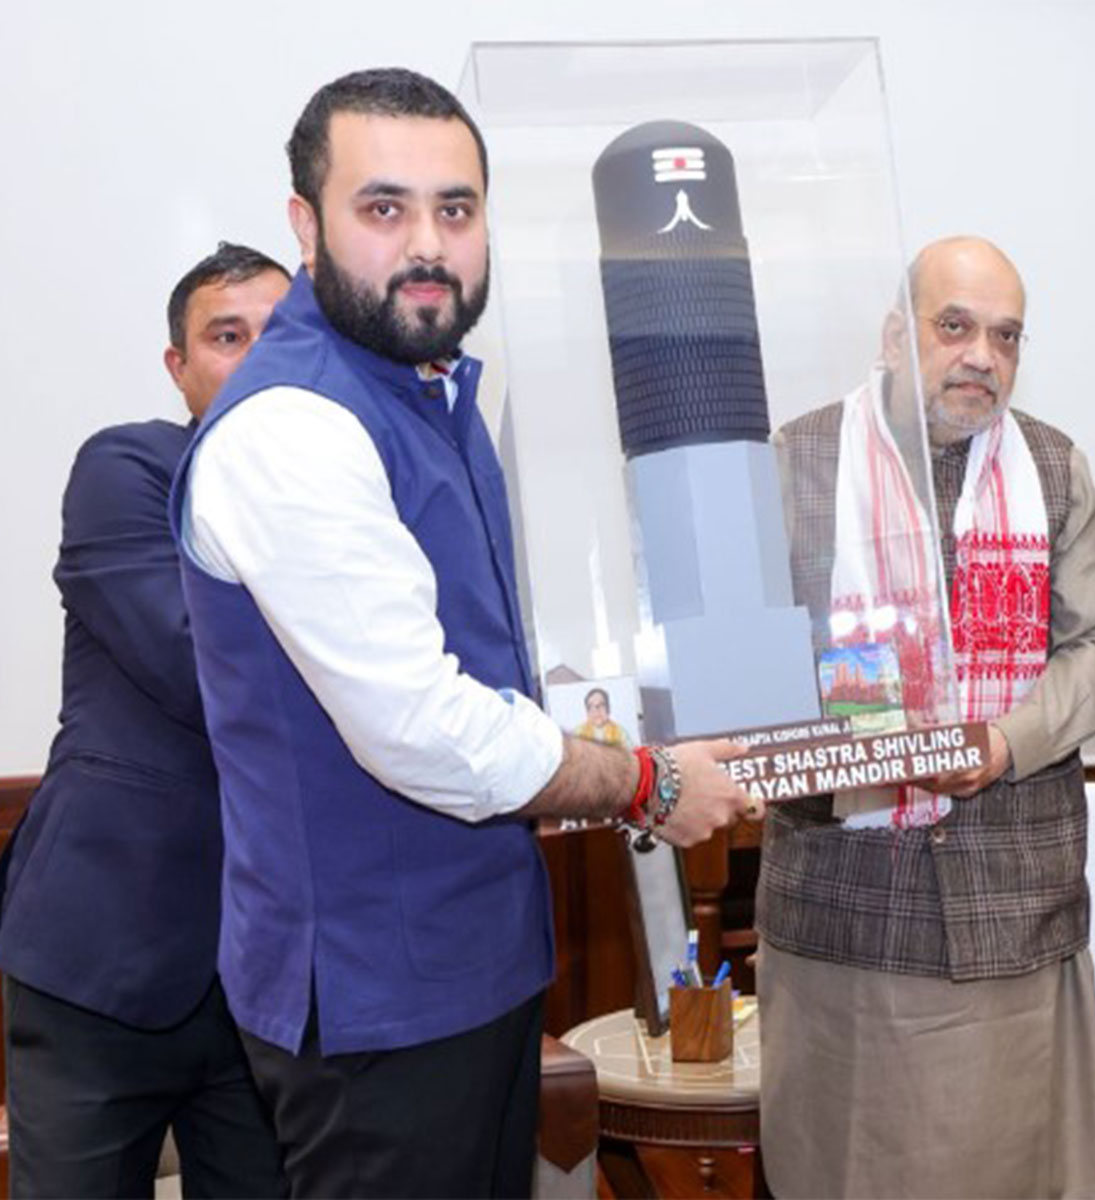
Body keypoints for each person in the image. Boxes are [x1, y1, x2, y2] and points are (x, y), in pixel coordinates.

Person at [168, 69, 754, 1198]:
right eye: (383, 209)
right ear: (306, 224)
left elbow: (498, 671)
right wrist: (647, 783)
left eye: (457, 209)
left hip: (476, 966)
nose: (427, 244)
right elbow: (422, 729)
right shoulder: (295, 428)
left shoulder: (425, 391)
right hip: (374, 1004)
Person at [756, 236, 1095, 1199]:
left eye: (1006, 337)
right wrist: (856, 729)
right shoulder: (796, 459)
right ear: (897, 335)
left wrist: (1006, 741)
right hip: (842, 902)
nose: (982, 356)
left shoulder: (1051, 469)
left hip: (1010, 905)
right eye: (955, 326)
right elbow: (740, 665)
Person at [0, 243, 291, 1197]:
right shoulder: (129, 467)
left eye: (276, 334)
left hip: (265, 985)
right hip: (103, 957)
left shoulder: (348, 500)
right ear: (181, 366)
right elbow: (194, 663)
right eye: (225, 335)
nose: (253, 357)